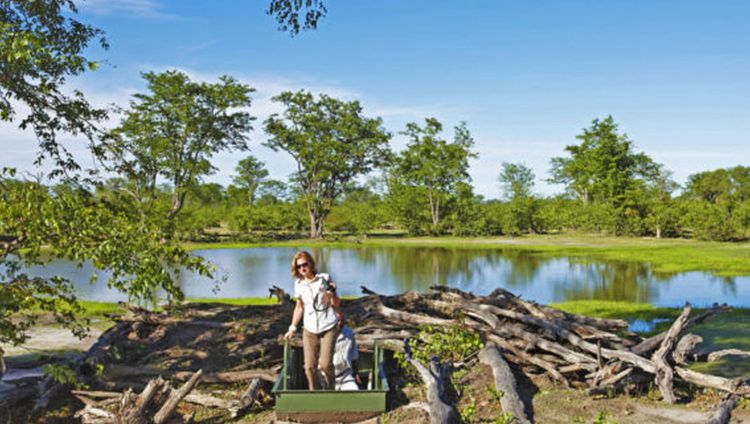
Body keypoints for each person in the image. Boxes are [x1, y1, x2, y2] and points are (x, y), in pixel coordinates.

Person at [284, 251, 340, 390]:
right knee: (309, 367)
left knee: (326, 364)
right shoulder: (298, 284)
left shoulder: (324, 278)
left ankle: (331, 388)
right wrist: (292, 327)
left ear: (311, 263)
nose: (302, 268)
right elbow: (299, 307)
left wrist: (331, 292)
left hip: (328, 325)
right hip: (309, 328)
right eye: (299, 267)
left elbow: (336, 303)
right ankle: (314, 393)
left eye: (304, 264)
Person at [333, 325, 361, 390]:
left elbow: (354, 356)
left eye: (341, 320)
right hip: (326, 376)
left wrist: (356, 373)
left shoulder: (348, 332)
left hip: (345, 375)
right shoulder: (322, 332)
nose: (339, 323)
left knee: (355, 392)